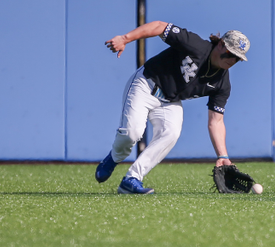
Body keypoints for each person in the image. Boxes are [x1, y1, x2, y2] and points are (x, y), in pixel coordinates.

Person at [95, 21, 250, 194]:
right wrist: (125, 38)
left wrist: (223, 156)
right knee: (133, 133)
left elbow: (216, 121)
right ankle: (115, 157)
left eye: (238, 58)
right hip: (146, 84)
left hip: (170, 100)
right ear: (221, 44)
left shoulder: (222, 84)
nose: (233, 60)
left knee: (171, 133)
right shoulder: (196, 45)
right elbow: (160, 26)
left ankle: (132, 178)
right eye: (231, 54)